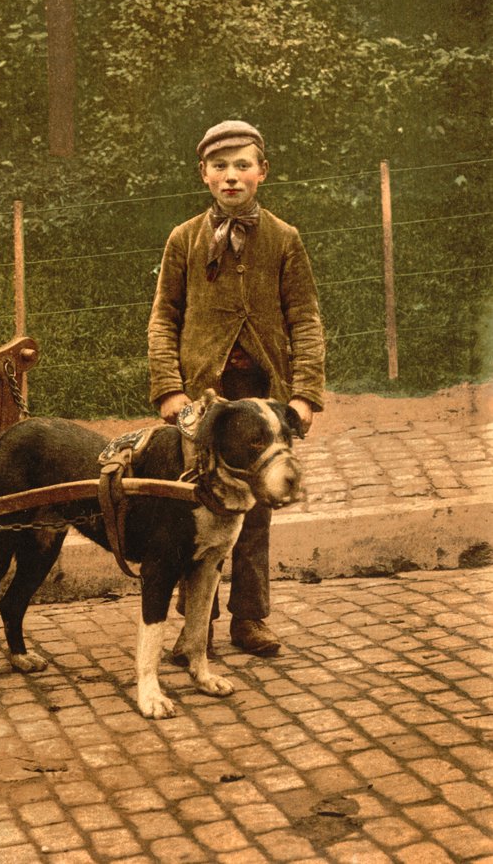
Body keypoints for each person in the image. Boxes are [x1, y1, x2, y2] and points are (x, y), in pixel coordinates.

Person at [147, 119, 325, 660]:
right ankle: (193, 626)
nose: (231, 177)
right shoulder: (183, 239)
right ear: (204, 174)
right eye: (220, 167)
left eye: (242, 165)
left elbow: (306, 320)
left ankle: (250, 618)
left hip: (262, 397)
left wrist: (304, 395)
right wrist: (169, 392)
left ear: (262, 172)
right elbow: (163, 319)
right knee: (192, 508)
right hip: (202, 401)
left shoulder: (284, 238)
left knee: (256, 508)